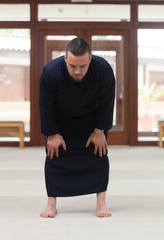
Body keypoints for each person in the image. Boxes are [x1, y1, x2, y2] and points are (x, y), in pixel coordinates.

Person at [39, 37, 115, 218]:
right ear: (65, 58)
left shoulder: (103, 69)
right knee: (54, 156)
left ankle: (101, 203)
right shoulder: (50, 72)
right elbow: (46, 105)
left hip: (92, 120)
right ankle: (51, 204)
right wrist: (52, 133)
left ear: (90, 59)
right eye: (73, 66)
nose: (77, 71)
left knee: (99, 154)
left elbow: (107, 103)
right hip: (60, 121)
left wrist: (99, 131)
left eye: (82, 66)